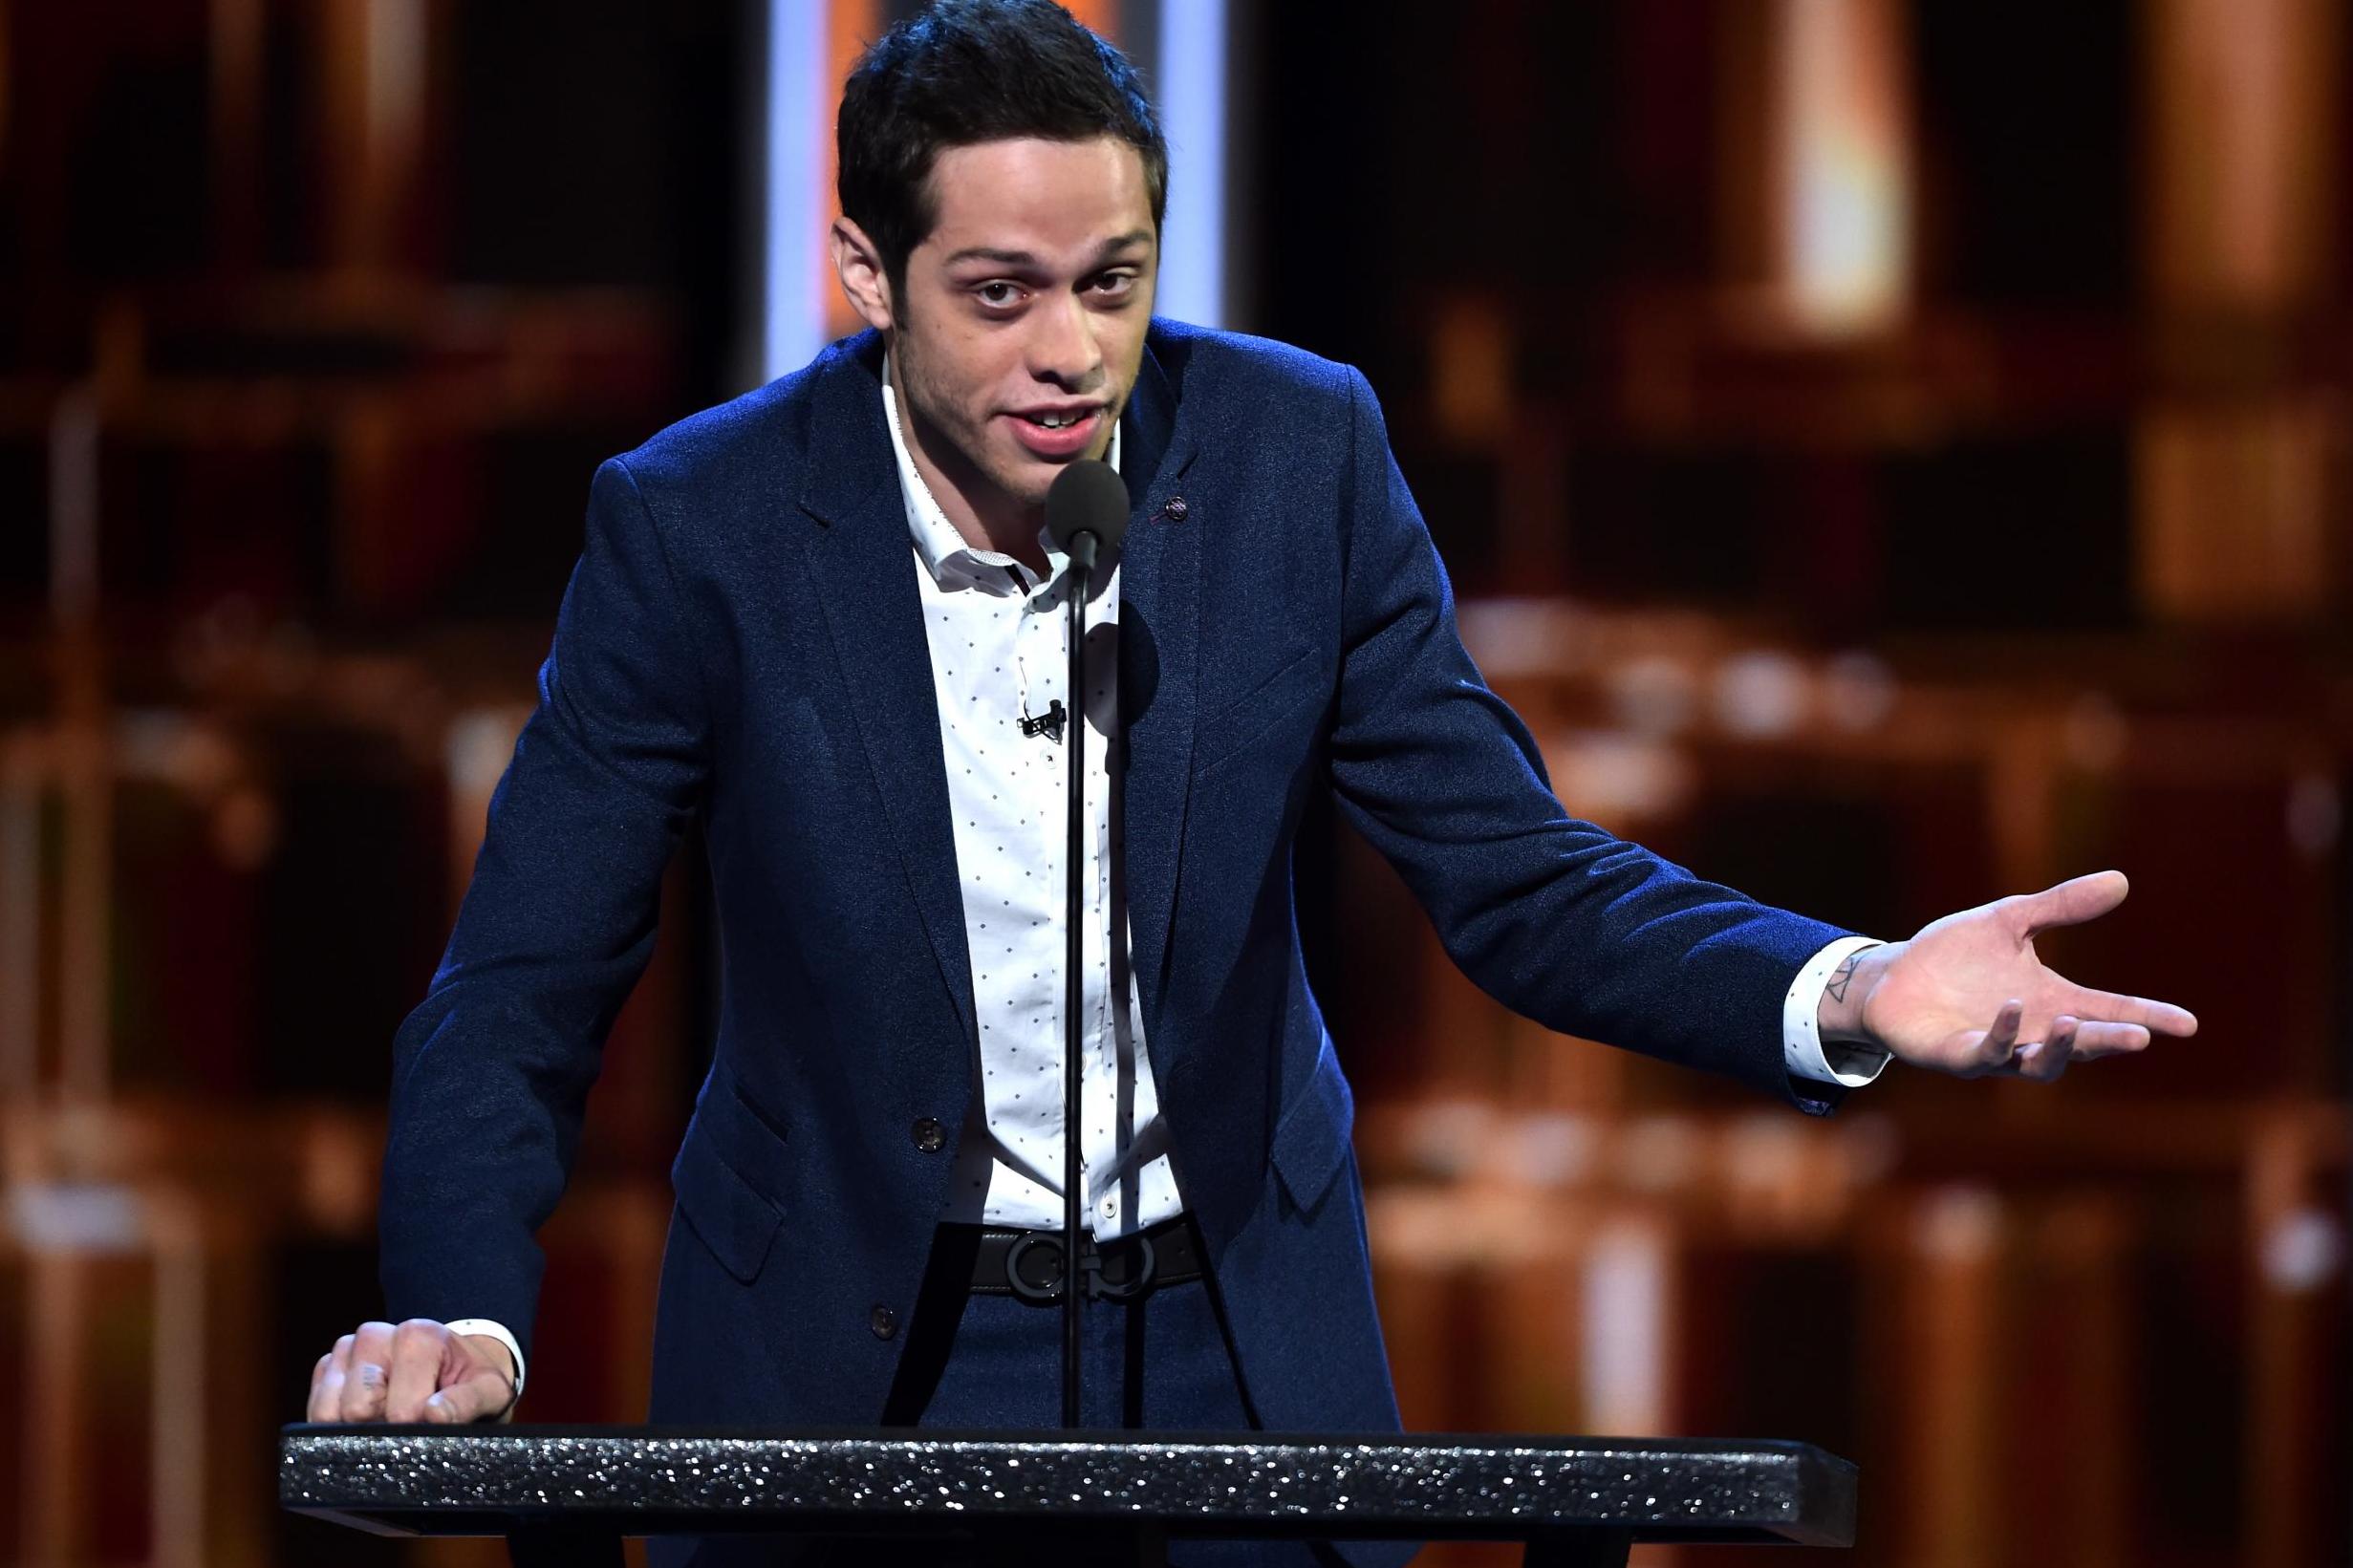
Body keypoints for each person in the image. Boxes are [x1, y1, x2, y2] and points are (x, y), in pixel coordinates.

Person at [305, 3, 2197, 1564]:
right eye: (1000, 292)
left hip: (1222, 1331)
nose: (1072, 350)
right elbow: (523, 980)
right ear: (865, 271)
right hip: (849, 1334)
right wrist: (459, 1309)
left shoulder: (1298, 454)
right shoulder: (700, 522)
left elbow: (1515, 875)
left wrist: (1854, 984)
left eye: (1112, 281)